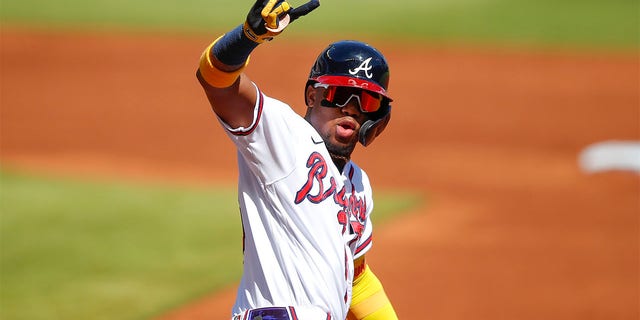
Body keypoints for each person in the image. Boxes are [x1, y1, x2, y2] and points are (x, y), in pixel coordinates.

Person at [196, 1, 398, 319]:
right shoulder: (283, 136)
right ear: (311, 96)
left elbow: (357, 281)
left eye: (366, 100)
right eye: (338, 94)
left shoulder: (359, 185)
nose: (351, 108)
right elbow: (215, 80)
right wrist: (247, 37)